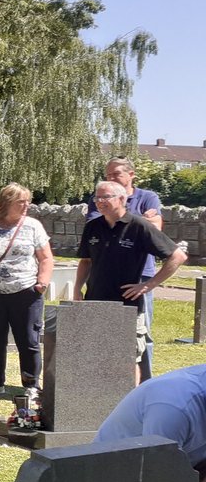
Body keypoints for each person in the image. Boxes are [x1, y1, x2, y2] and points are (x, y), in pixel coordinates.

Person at [74, 180, 186, 384]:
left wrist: (148, 285)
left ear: (122, 199)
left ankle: (130, 403)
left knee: (128, 358)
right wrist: (76, 289)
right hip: (96, 301)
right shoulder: (93, 226)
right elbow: (85, 260)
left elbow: (177, 256)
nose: (100, 202)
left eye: (105, 197)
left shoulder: (139, 226)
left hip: (127, 304)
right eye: (96, 197)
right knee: (98, 355)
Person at [0, 183, 53, 400]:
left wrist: (42, 283)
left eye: (28, 200)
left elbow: (46, 258)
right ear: (6, 203)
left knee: (28, 339)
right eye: (21, 201)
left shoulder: (33, 226)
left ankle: (31, 384)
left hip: (26, 292)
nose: (26, 205)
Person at [86, 157, 163, 381]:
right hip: (105, 274)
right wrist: (141, 219)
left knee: (141, 331)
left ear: (131, 175)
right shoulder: (101, 194)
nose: (111, 178)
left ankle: (146, 381)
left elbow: (156, 227)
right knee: (105, 331)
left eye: (116, 174)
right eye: (108, 174)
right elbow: (100, 219)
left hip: (141, 273)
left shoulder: (148, 197)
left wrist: (133, 220)